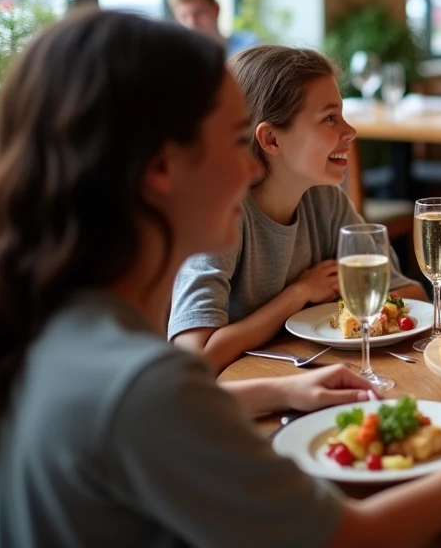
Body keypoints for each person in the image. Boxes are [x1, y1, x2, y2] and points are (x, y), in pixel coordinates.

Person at [0, 10, 441, 548]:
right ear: (161, 168)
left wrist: (279, 389)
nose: (250, 167)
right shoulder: (139, 386)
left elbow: (170, 414)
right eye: (233, 141)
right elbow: (352, 538)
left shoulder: (50, 332)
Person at [170, 45, 427, 372]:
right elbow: (193, 357)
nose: (350, 131)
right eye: (330, 118)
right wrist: (299, 294)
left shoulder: (327, 200)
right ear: (272, 140)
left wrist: (333, 306)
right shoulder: (222, 216)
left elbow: (411, 293)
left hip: (308, 375)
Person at [168, 0, 259, 55]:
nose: (192, 23)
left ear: (216, 9)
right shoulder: (175, 58)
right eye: (183, 16)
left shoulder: (249, 48)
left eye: (199, 13)